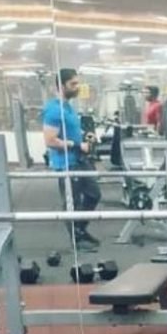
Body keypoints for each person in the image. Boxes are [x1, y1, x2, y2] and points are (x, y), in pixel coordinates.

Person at [42, 68, 101, 250]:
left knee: (93, 195)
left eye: (77, 83)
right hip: (66, 163)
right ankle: (77, 239)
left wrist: (85, 136)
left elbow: (71, 131)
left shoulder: (68, 107)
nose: (77, 87)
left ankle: (80, 229)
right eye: (73, 84)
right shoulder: (54, 110)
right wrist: (77, 145)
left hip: (80, 160)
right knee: (72, 202)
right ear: (61, 86)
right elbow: (50, 141)